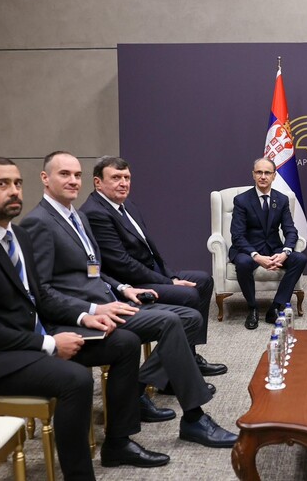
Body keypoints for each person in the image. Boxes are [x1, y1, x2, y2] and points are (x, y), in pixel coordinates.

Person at [0, 157, 170, 479]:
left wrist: (85, 316)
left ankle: (118, 443)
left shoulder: (18, 236)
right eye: (2, 184)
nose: (14, 191)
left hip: (28, 338)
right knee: (75, 380)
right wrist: (48, 344)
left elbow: (41, 296)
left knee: (125, 342)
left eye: (17, 183)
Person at [20, 151, 237, 449]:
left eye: (76, 175)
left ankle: (144, 394)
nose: (73, 181)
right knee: (172, 320)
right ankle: (194, 418)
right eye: (64, 174)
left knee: (188, 317)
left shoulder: (76, 217)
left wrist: (122, 288)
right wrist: (92, 309)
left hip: (110, 301)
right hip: (79, 319)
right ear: (45, 178)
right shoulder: (38, 222)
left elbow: (94, 270)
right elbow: (42, 292)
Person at [79, 155, 224, 377]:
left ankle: (188, 358)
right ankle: (173, 373)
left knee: (203, 281)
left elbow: (150, 250)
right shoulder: (95, 212)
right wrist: (169, 283)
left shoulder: (125, 204)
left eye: (127, 177)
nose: (124, 183)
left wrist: (170, 276)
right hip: (129, 284)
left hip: (149, 273)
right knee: (189, 294)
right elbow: (122, 264)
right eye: (116, 178)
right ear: (98, 182)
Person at [229, 157, 307, 330]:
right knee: (243, 263)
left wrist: (285, 252)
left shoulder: (281, 199)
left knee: (300, 259)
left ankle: (276, 306)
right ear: (253, 175)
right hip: (248, 249)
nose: (263, 176)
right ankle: (252, 308)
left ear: (274, 176)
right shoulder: (241, 200)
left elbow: (290, 230)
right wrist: (257, 257)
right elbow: (237, 235)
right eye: (259, 172)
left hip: (273, 248)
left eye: (267, 173)